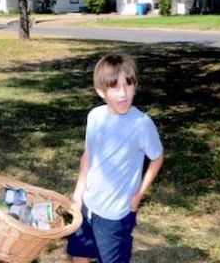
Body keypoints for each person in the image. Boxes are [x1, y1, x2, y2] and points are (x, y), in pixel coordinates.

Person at [67, 53, 164, 263]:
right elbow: (88, 154)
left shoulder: (141, 124)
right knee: (79, 252)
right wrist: (78, 193)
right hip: (88, 204)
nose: (123, 94)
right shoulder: (94, 117)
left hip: (115, 214)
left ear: (135, 86)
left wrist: (138, 194)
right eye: (114, 87)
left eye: (128, 85)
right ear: (100, 91)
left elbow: (157, 158)